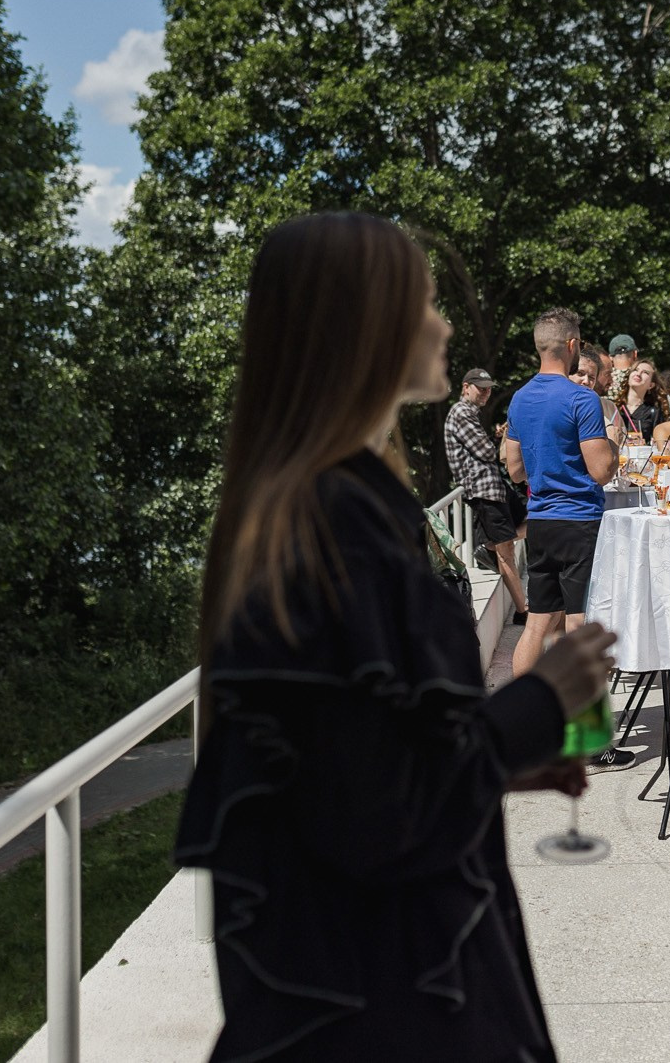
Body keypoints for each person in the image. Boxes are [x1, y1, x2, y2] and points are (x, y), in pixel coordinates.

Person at [175, 212, 617, 1061]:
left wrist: (504, 762)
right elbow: (378, 808)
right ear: (364, 325)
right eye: (423, 303)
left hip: (380, 970)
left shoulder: (322, 501)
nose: (444, 325)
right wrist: (539, 702)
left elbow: (349, 766)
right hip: (380, 995)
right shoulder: (329, 522)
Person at [503, 312, 634, 773]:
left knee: (537, 626)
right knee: (580, 628)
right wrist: (613, 443)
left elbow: (514, 468)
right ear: (573, 345)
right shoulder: (582, 400)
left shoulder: (519, 399)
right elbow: (602, 470)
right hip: (579, 521)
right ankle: (589, 740)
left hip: (539, 522)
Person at [444, 367, 526, 621]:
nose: (486, 392)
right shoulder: (461, 412)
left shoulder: (469, 413)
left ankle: (486, 546)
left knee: (536, 518)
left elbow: (482, 448)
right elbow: (487, 452)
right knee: (506, 552)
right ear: (465, 387)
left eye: (489, 388)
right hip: (484, 491)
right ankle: (523, 612)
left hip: (494, 488)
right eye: (481, 388)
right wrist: (508, 437)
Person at [622, 358, 663, 441]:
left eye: (645, 372)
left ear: (651, 385)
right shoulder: (615, 407)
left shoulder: (654, 412)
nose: (638, 373)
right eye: (636, 370)